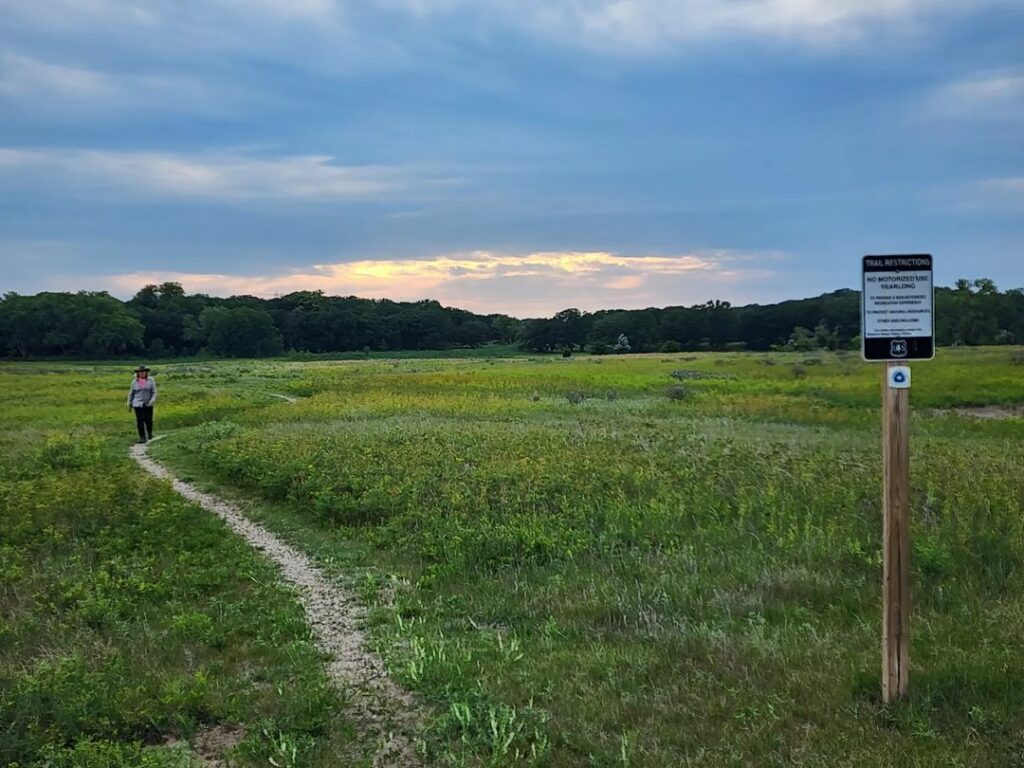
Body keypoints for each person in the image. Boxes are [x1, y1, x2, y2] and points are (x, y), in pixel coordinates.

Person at [127, 365, 158, 443]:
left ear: (146, 372)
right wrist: (129, 403)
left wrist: (152, 400)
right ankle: (142, 437)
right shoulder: (134, 382)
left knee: (148, 420)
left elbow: (154, 392)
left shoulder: (151, 380)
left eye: (143, 372)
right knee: (140, 420)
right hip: (137, 403)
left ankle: (150, 433)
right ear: (138, 373)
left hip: (148, 403)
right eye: (140, 372)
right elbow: (131, 393)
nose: (142, 373)